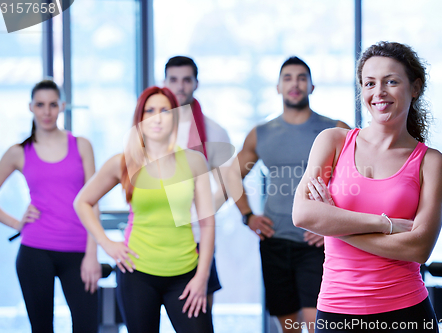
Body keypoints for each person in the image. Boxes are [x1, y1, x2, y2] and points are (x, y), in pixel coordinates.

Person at [292, 41, 442, 332]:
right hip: (337, 312)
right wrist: (384, 224)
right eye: (369, 83)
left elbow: (418, 248)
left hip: (407, 313)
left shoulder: (431, 163)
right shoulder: (334, 142)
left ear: (415, 88)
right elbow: (302, 214)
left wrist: (334, 224)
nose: (379, 92)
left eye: (391, 81)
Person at [73, 86, 215, 333]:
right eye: (150, 110)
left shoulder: (194, 161)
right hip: (137, 272)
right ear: (140, 118)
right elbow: (82, 202)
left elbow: (207, 223)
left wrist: (202, 278)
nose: (157, 117)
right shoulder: (123, 161)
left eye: (165, 110)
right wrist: (107, 244)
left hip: (185, 273)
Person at [233, 56, 351, 333]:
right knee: (288, 328)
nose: (294, 84)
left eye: (301, 78)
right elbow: (231, 176)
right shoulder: (261, 133)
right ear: (278, 87)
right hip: (275, 240)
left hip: (317, 243)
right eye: (287, 78)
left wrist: (333, 228)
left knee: (316, 325)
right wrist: (248, 216)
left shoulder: (336, 129)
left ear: (312, 86)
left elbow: (357, 183)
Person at [0, 79, 101, 333]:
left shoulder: (82, 145)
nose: (46, 111)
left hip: (78, 250)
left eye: (52, 104)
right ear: (30, 107)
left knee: (87, 327)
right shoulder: (19, 152)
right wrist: (16, 223)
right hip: (35, 251)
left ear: (62, 106)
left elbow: (94, 201)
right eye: (40, 105)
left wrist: (92, 254)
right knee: (42, 329)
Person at [164, 56, 233, 309]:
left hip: (195, 240)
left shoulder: (214, 132)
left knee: (197, 317)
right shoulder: (150, 128)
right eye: (174, 79)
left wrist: (197, 215)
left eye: (186, 80)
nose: (180, 86)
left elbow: (227, 187)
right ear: (164, 82)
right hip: (153, 236)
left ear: (196, 83)